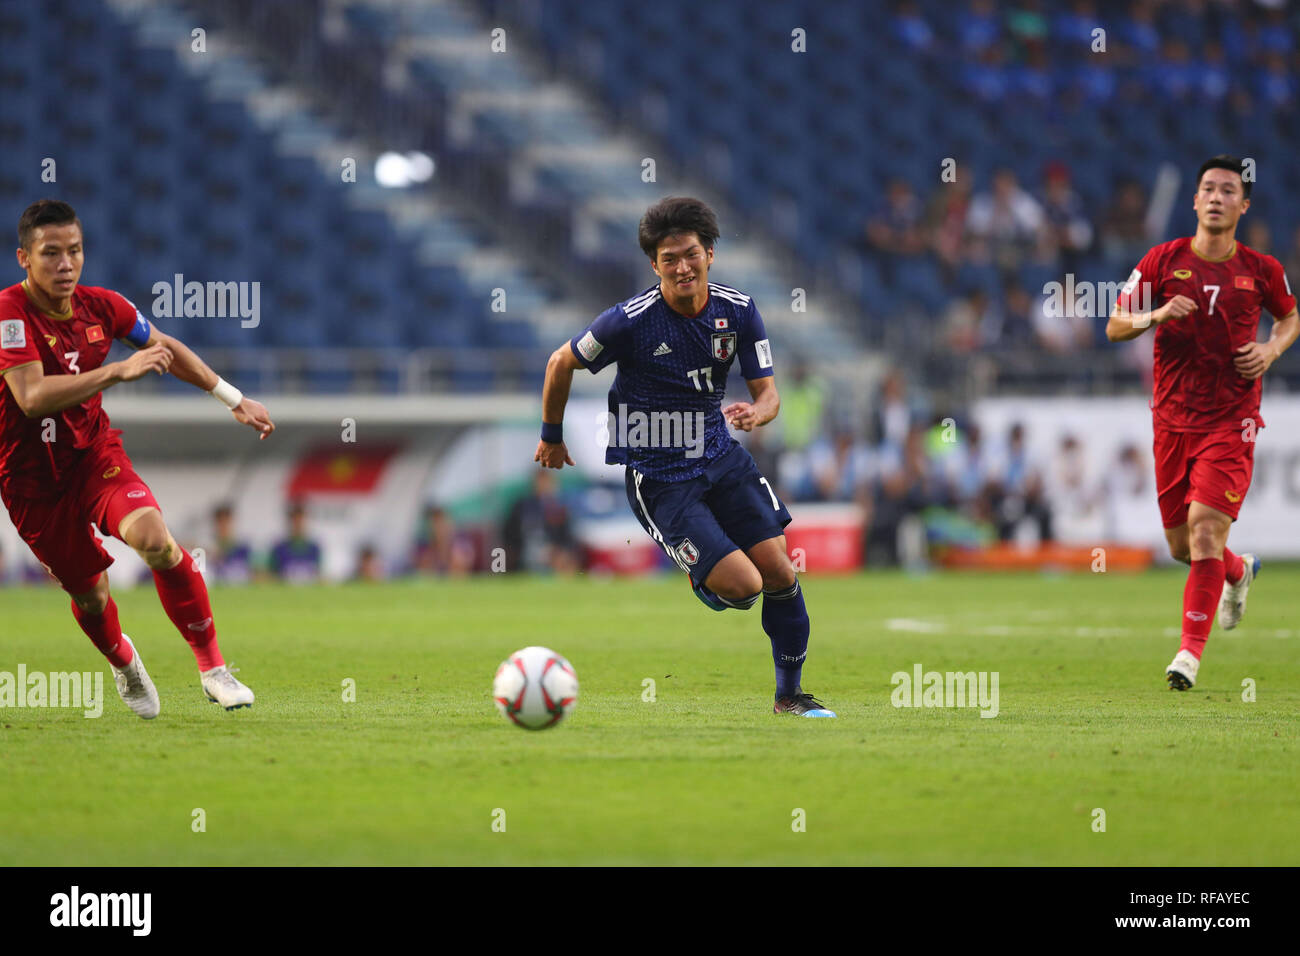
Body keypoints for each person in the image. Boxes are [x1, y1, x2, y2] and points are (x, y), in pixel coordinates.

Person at [533, 196, 833, 717]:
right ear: (654, 266)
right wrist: (551, 435)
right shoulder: (629, 322)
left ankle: (791, 697)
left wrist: (758, 415)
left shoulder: (737, 311)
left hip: (719, 456)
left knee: (780, 572)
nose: (681, 267)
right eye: (668, 259)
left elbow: (769, 394)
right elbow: (561, 362)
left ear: (710, 254)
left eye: (690, 254)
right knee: (744, 588)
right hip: (660, 478)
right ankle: (702, 573)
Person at [0, 200, 273, 717]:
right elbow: (31, 398)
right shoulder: (9, 314)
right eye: (50, 253)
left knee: (155, 539)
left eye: (74, 252)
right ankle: (124, 662)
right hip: (32, 482)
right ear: (23, 258)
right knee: (92, 598)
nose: (65, 264)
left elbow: (166, 347)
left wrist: (234, 399)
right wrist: (116, 373)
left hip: (92, 455)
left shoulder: (103, 307)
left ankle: (214, 670)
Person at [1106, 155, 1298, 691]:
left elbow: (1289, 317)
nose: (1216, 197)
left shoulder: (1262, 270)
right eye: (1208, 189)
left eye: (1227, 191)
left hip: (1232, 418)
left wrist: (1272, 349)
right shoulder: (1162, 260)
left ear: (1243, 205)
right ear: (1194, 202)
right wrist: (1156, 316)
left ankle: (1188, 655)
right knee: (1182, 548)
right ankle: (1238, 571)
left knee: (1207, 529)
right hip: (1171, 419)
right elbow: (1115, 326)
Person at [270, 501, 322, 583]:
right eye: (295, 521)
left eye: (301, 521)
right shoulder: (279, 548)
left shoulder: (314, 548)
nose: (298, 525)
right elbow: (271, 575)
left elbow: (318, 575)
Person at [210, 502, 254, 584]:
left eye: (226, 521)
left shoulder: (243, 547)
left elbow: (254, 573)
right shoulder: (209, 548)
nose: (223, 525)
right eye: (220, 521)